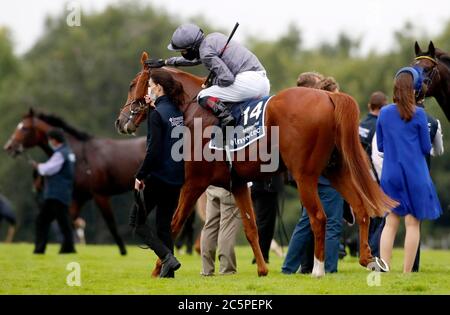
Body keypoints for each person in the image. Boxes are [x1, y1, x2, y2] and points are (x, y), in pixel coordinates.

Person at [377, 67, 442, 273]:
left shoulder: (384, 113)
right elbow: (425, 148)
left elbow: (380, 147)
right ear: (415, 89)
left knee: (390, 223)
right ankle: (407, 273)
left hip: (390, 174)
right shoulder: (420, 114)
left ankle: (384, 269)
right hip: (416, 174)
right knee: (413, 224)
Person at [147, 23, 270, 129]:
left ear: (192, 48)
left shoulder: (205, 52)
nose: (182, 53)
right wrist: (165, 62)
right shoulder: (213, 38)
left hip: (248, 82)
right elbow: (196, 59)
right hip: (262, 82)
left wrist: (213, 81)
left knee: (203, 95)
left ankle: (227, 118)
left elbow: (227, 79)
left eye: (183, 51)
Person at [282, 73, 344, 274]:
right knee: (333, 223)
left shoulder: (307, 115)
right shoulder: (330, 115)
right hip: (329, 177)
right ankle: (330, 268)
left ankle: (288, 267)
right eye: (336, 94)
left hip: (309, 177)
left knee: (305, 223)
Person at [131, 69, 185, 278]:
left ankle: (167, 258)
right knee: (163, 226)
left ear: (159, 88)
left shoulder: (155, 114)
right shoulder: (176, 111)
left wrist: (140, 175)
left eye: (151, 86)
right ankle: (169, 273)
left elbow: (153, 150)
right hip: (176, 178)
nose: (149, 89)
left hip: (159, 178)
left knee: (136, 223)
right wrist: (152, 106)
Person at [30, 128, 76, 254]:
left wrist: (38, 166)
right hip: (64, 193)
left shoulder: (60, 154)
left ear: (55, 140)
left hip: (55, 194)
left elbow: (49, 169)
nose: (49, 142)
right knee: (63, 222)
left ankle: (41, 248)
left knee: (43, 221)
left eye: (50, 139)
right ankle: (68, 247)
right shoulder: (69, 153)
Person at [358, 91, 388, 257]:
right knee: (378, 217)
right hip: (373, 175)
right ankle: (373, 252)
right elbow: (377, 155)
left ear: (370, 106)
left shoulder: (361, 124)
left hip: (358, 175)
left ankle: (361, 248)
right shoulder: (379, 126)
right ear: (383, 107)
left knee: (364, 215)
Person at [200, 186, 241, 276]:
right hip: (228, 187)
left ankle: (206, 270)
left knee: (209, 226)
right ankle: (227, 269)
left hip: (211, 187)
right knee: (227, 227)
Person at [251, 175, 284, 263]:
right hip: (266, 187)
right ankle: (261, 256)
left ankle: (260, 255)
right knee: (266, 224)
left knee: (260, 221)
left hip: (255, 186)